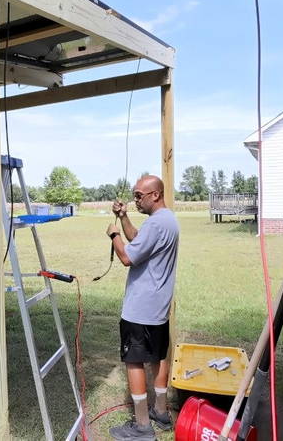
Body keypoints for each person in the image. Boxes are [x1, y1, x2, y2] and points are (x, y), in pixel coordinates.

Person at [105, 175, 179, 440]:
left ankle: (142, 426)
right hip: (158, 307)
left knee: (134, 360)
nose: (135, 200)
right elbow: (138, 240)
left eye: (139, 195)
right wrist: (124, 217)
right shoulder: (165, 220)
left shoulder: (156, 224)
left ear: (155, 195)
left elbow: (127, 256)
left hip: (140, 309)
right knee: (158, 357)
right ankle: (161, 412)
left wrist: (114, 233)